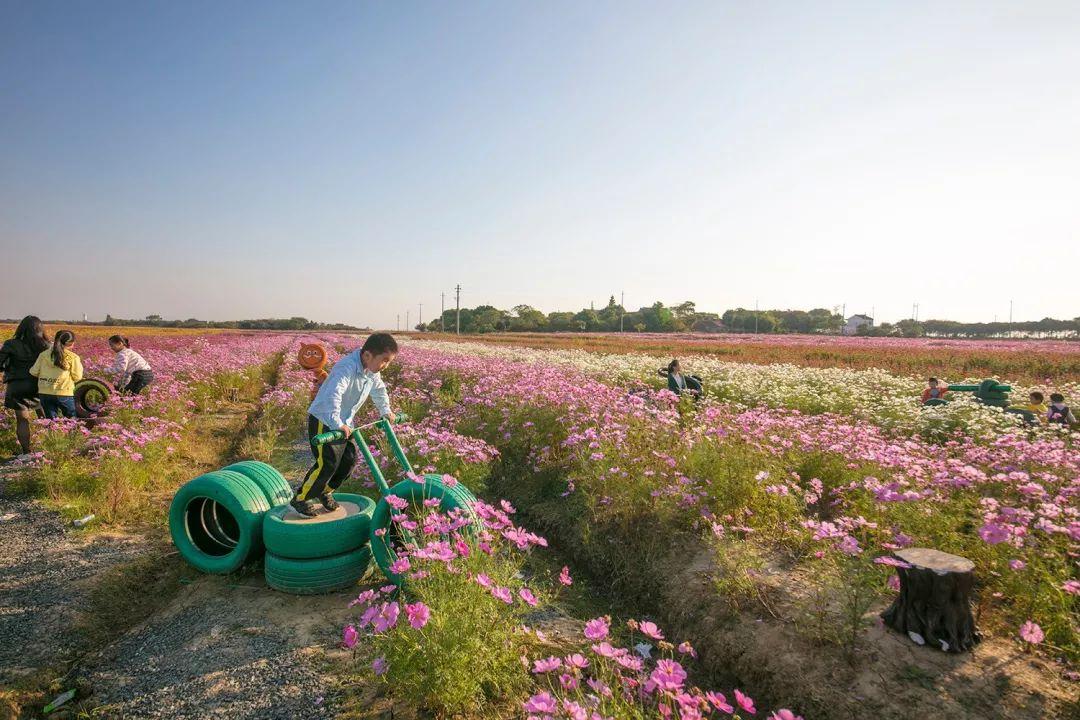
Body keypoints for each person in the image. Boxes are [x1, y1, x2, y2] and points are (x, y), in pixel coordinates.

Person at [291, 333, 399, 516]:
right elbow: (334, 395)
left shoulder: (372, 372)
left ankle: (325, 492)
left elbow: (379, 390)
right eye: (384, 360)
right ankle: (300, 499)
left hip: (345, 423)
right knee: (327, 462)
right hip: (325, 418)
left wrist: (385, 411)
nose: (386, 366)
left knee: (348, 461)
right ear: (367, 355)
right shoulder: (346, 367)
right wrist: (337, 423)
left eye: (389, 362)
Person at [0, 316, 50, 455]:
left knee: (22, 420)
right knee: (45, 417)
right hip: (39, 385)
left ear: (21, 328)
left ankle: (26, 452)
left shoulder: (11, 344)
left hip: (17, 385)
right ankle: (51, 448)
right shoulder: (46, 345)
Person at [29, 330, 83, 419]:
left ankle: (52, 433)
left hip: (45, 392)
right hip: (64, 392)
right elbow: (77, 377)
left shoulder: (43, 355)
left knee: (51, 421)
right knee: (71, 420)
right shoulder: (73, 357)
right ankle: (70, 433)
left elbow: (33, 372)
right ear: (70, 343)